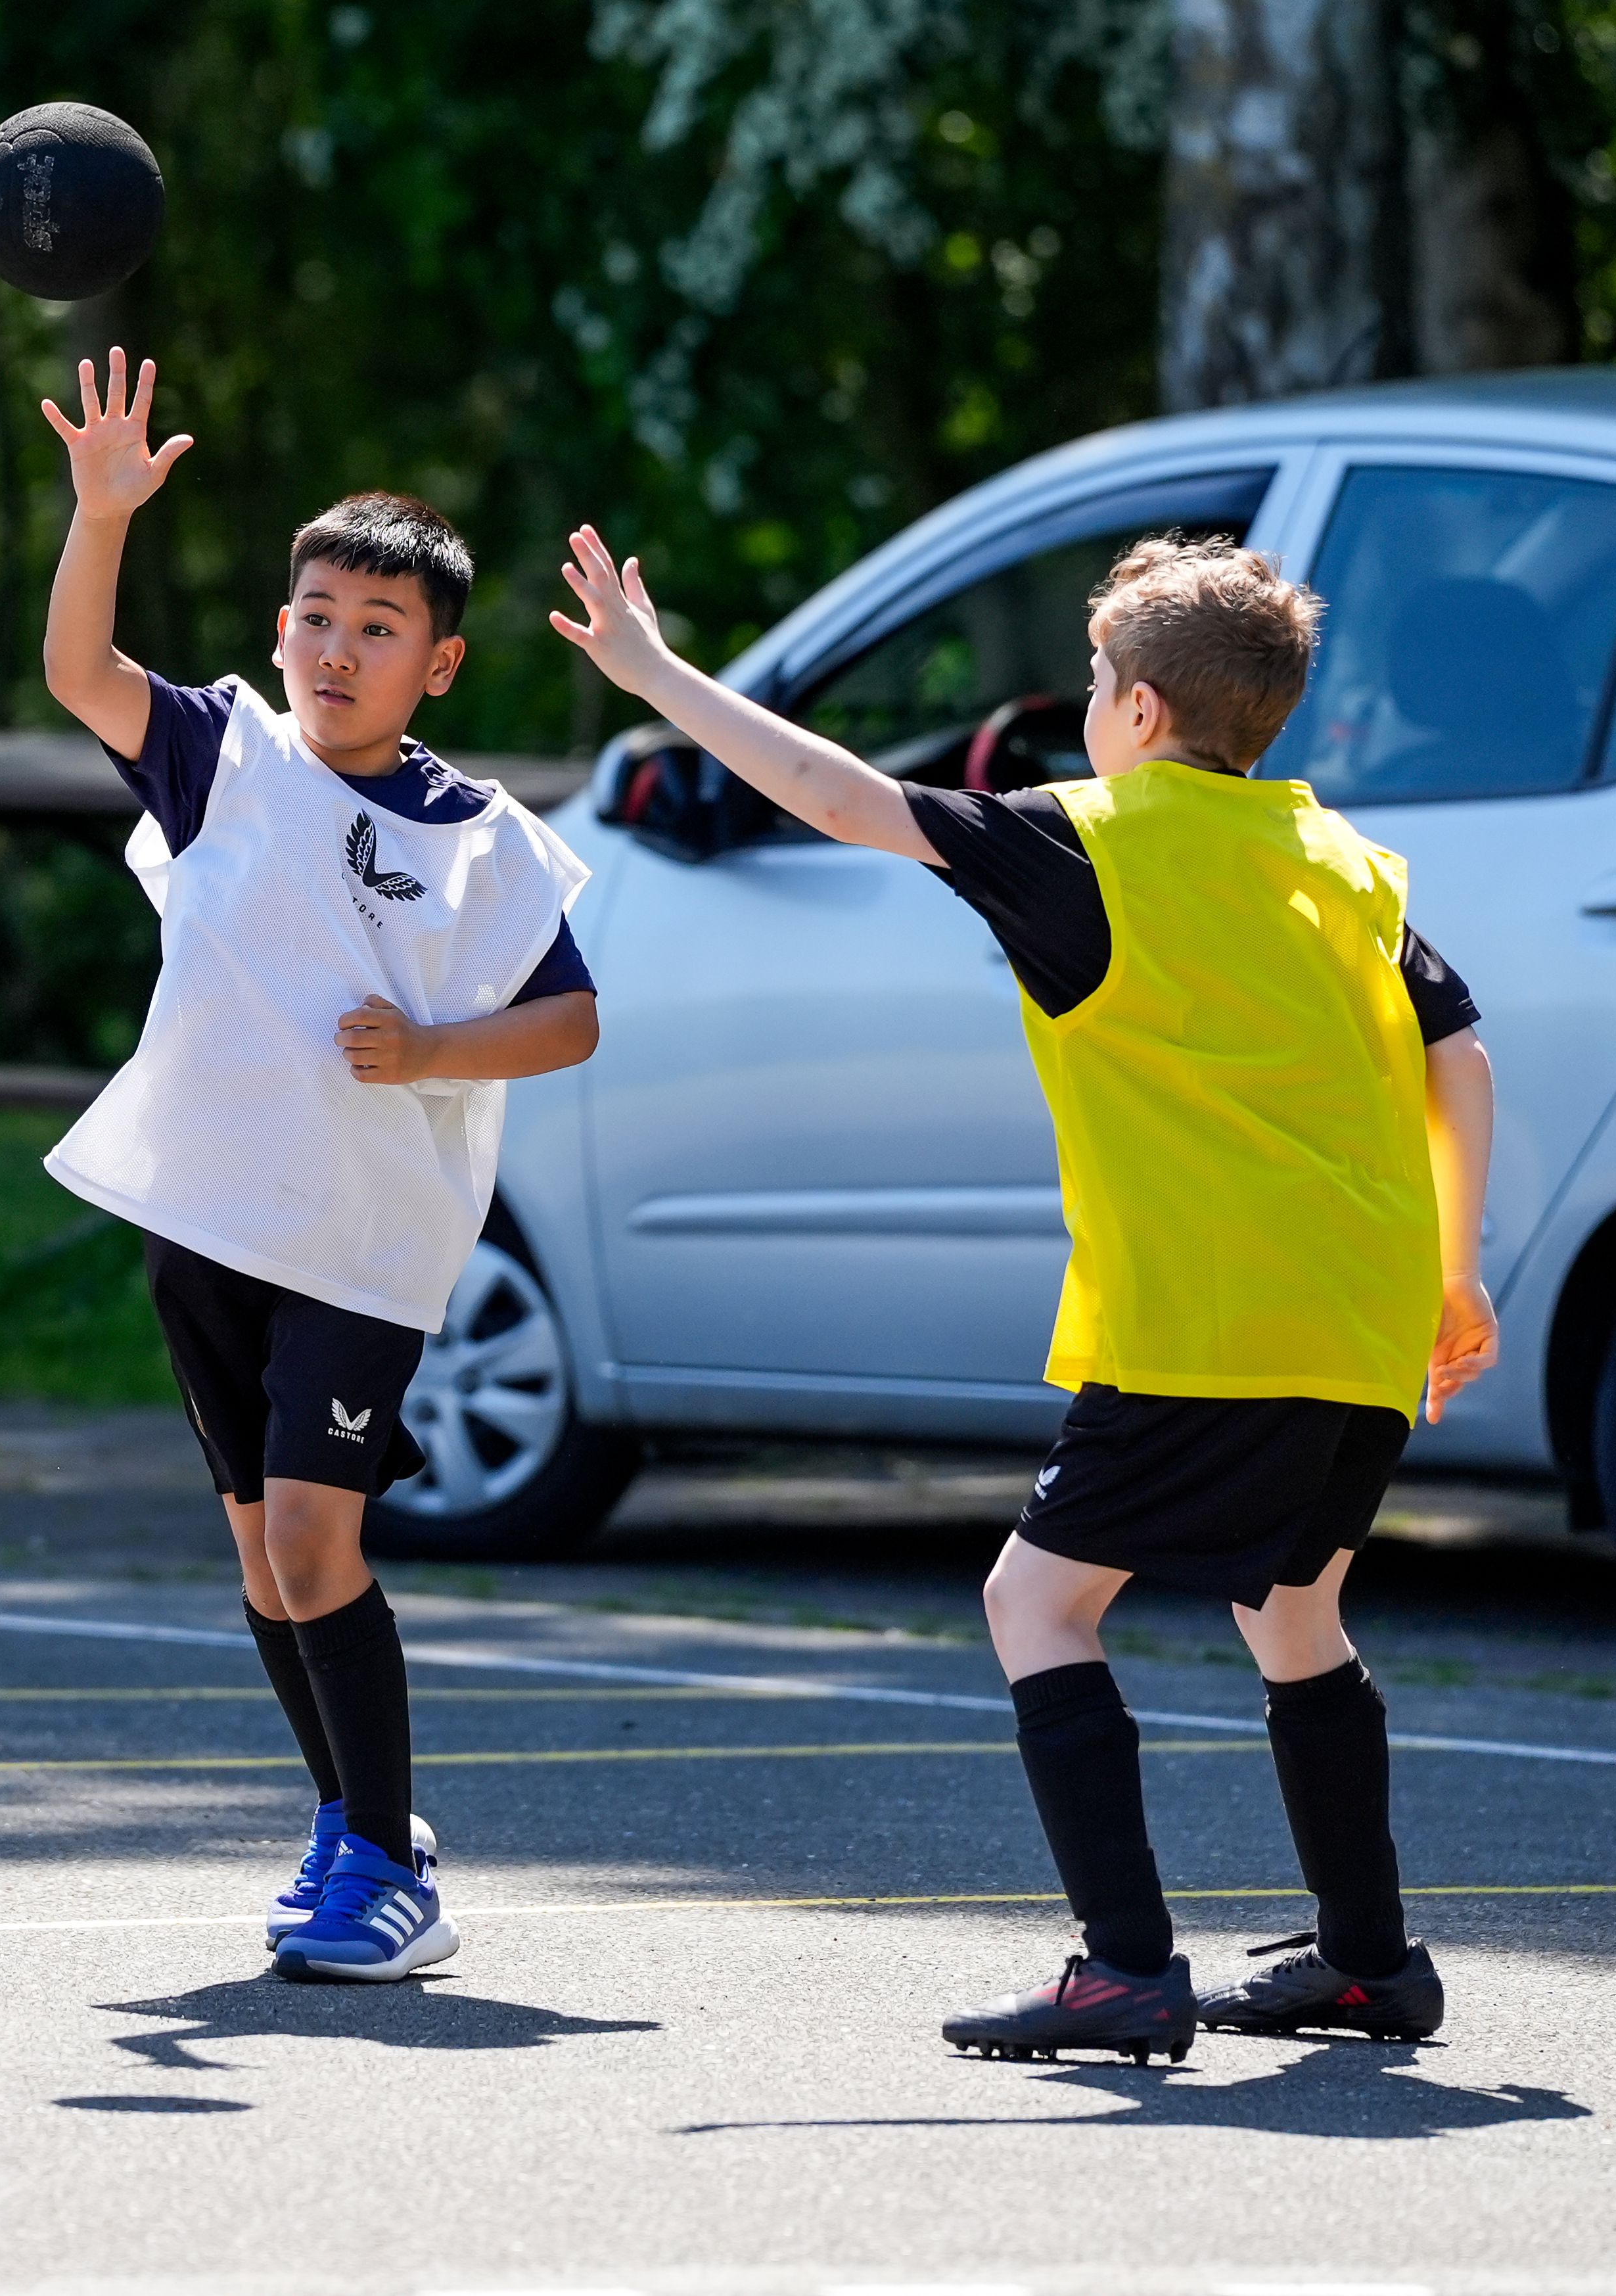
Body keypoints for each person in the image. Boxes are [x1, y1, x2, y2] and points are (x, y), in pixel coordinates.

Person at [549, 524, 1496, 2061]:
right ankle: (1370, 1962)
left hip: (1206, 1322)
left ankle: (1124, 1964)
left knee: (1033, 1601)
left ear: (1130, 709)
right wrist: (1455, 1267)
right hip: (1364, 1317)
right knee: (1293, 1611)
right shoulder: (1342, 864)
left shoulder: (1087, 843)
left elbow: (843, 799)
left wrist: (656, 675)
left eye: (1094, 678)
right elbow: (1462, 1056)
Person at [37, 350, 600, 1982]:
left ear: (437, 664)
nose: (337, 648)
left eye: (377, 629)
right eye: (316, 618)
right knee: (264, 1569)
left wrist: (431, 1051)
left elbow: (565, 1024)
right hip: (208, 1214)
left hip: (362, 1244)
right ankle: (361, 1823)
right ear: (280, 628)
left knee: (309, 1543)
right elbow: (81, 667)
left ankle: (381, 1856)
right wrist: (101, 515)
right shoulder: (226, 755)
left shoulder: (485, 839)